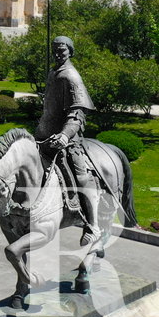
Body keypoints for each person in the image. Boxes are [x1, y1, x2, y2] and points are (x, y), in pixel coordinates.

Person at [36, 36, 99, 244]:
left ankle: (92, 225)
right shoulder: (53, 72)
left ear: (70, 51)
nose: (57, 53)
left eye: (62, 50)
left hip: (67, 140)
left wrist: (64, 135)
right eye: (54, 49)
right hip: (43, 136)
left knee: (81, 177)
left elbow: (77, 113)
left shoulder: (71, 76)